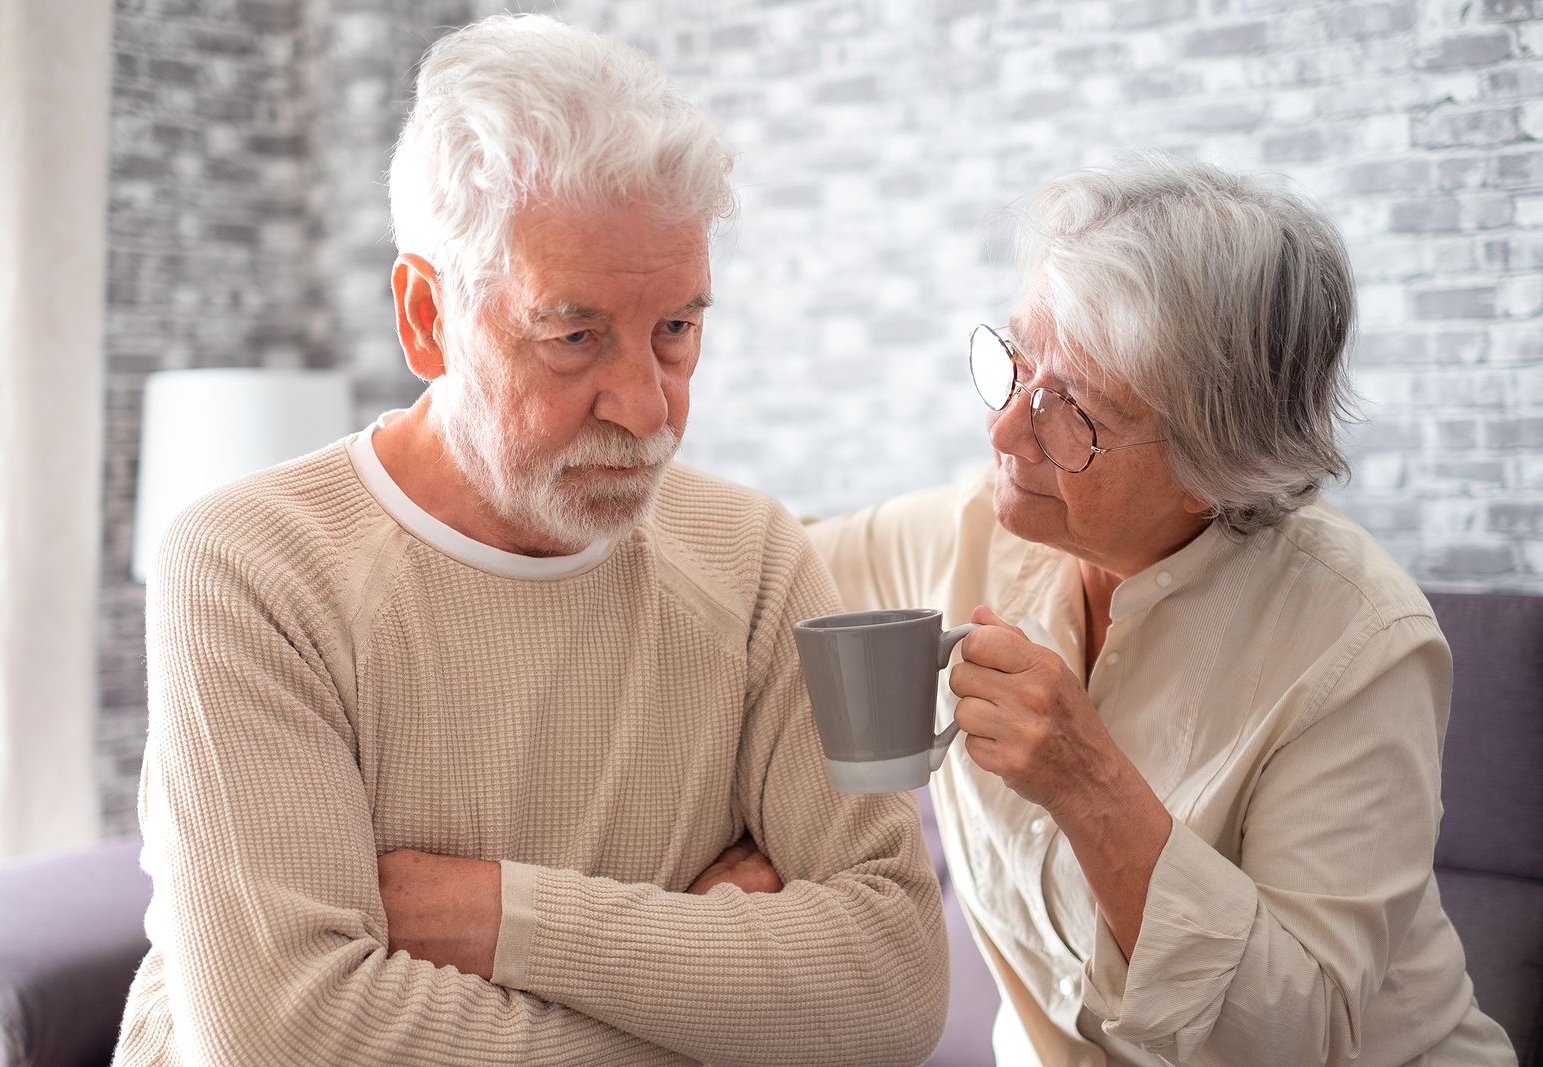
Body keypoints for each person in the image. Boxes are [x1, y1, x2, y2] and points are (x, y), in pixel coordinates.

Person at [113, 15, 946, 1066]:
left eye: (678, 329)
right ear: (427, 316)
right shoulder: (249, 566)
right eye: (574, 336)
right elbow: (289, 1037)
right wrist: (709, 992)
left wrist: (501, 915)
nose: (647, 408)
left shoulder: (756, 557)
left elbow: (893, 984)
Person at [806, 156, 1518, 1067]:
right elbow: (754, 568)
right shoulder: (973, 531)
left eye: (1072, 411)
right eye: (1017, 360)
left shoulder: (1362, 643)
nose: (1004, 431)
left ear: (1214, 468)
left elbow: (1294, 1035)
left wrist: (1089, 784)